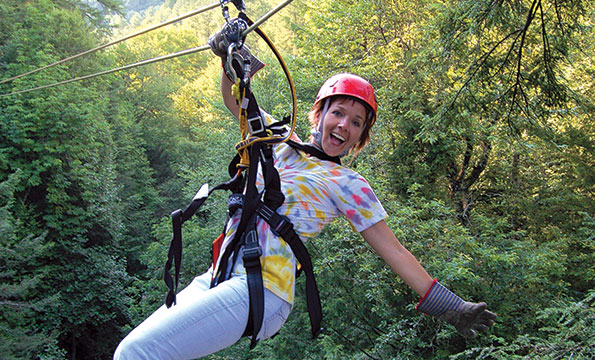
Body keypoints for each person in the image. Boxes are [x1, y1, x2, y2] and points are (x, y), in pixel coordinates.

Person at [114, 36, 496, 360]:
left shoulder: (347, 183)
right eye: (339, 113)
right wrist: (228, 58)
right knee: (125, 352)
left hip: (263, 290)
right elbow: (236, 102)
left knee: (138, 355)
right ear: (320, 115)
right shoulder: (278, 140)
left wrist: (449, 306)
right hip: (218, 275)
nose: (344, 125)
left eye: (356, 122)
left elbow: (394, 251)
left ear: (360, 139)